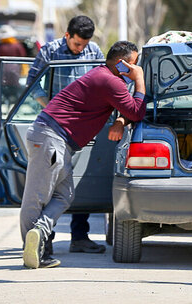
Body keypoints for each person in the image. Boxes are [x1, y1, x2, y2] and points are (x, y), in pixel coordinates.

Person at [21, 40, 145, 269]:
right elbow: (137, 111)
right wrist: (139, 80)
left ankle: (38, 231)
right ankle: (35, 252)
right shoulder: (110, 81)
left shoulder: (106, 77)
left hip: (58, 141)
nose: (136, 69)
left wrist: (120, 119)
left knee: (65, 195)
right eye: (134, 65)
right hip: (51, 137)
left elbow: (126, 110)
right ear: (122, 64)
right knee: (36, 198)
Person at [25, 15, 106, 257]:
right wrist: (50, 106)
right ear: (67, 35)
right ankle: (44, 240)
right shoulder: (49, 52)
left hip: (82, 129)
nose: (81, 49)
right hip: (54, 129)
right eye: (76, 44)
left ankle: (80, 236)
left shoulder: (93, 52)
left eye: (84, 44)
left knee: (80, 182)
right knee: (49, 186)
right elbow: (32, 82)